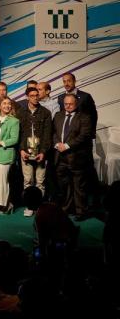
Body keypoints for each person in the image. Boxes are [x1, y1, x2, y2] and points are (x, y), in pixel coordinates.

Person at [54, 93, 93, 221]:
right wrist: (57, 144)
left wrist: (67, 146)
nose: (68, 106)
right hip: (60, 157)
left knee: (78, 187)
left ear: (76, 104)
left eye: (71, 104)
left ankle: (80, 211)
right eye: (66, 104)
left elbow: (84, 136)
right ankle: (66, 209)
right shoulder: (58, 116)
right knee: (64, 186)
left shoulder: (84, 117)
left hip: (77, 158)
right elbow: (53, 133)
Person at [17, 86, 53, 216]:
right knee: (28, 181)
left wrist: (43, 152)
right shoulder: (21, 112)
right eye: (32, 96)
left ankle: (39, 207)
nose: (35, 98)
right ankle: (29, 206)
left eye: (37, 95)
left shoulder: (45, 112)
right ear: (27, 97)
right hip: (25, 153)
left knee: (40, 182)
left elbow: (47, 135)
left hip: (40, 153)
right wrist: (21, 150)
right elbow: (19, 134)